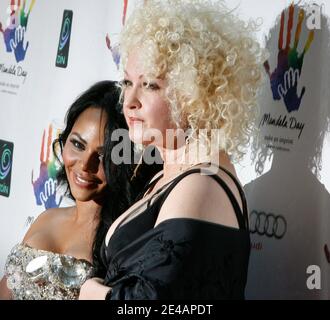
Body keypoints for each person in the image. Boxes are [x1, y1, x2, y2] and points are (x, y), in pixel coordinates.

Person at [79, 0, 266, 300]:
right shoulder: (165, 176)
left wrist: (91, 293)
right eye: (127, 82)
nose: (129, 101)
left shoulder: (202, 184)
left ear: (195, 94)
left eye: (150, 85)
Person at [0, 81, 143, 300]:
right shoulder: (46, 218)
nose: (85, 164)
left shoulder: (122, 242)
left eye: (103, 155)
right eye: (77, 144)